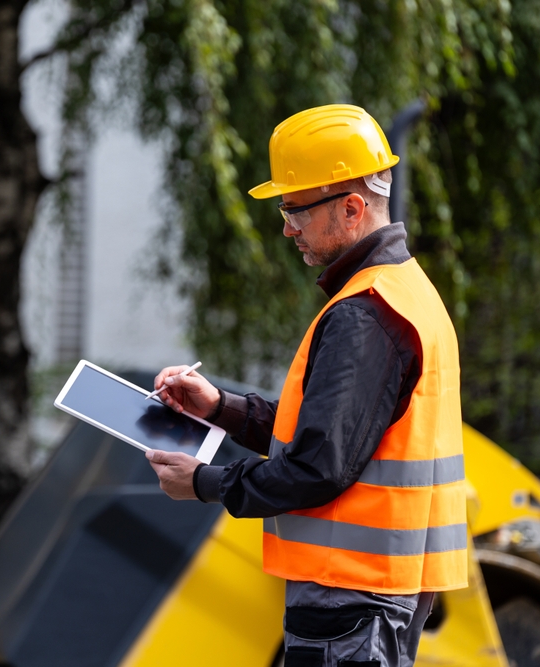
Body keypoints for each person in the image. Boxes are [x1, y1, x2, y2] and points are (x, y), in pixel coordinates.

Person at [145, 104, 467, 667]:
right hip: (374, 595)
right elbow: (329, 437)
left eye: (295, 208)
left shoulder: (366, 313)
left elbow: (318, 466)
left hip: (349, 601)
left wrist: (205, 482)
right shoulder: (403, 293)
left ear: (350, 208)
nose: (286, 227)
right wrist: (221, 407)